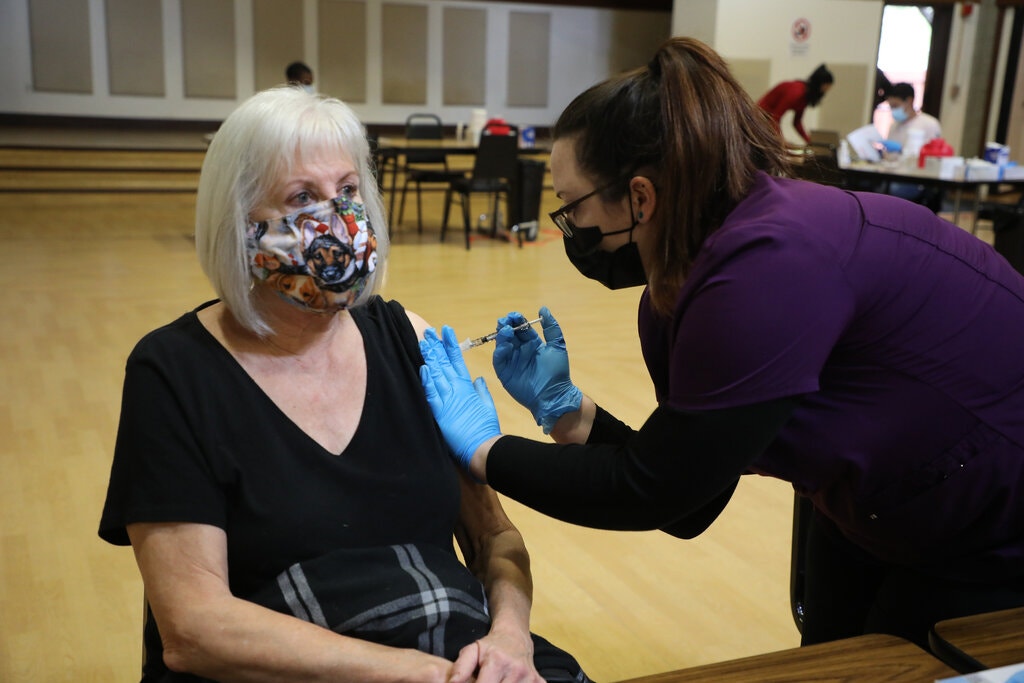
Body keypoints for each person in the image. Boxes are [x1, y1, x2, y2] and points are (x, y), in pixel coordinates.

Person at [418, 37, 1024, 653]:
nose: (570, 231)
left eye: (572, 209)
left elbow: (652, 491)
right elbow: (691, 499)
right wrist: (567, 410)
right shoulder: (688, 276)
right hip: (880, 496)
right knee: (833, 652)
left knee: (895, 660)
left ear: (640, 196)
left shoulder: (766, 266)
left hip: (990, 508)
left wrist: (485, 450)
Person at [98, 86, 589, 683]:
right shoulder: (172, 373)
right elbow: (194, 630)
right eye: (302, 196)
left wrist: (510, 640)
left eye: (348, 191)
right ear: (237, 221)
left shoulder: (406, 338)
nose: (341, 220)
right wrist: (422, 676)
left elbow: (493, 538)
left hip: (452, 649)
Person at [884, 82, 944, 208]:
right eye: (890, 106)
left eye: (896, 106)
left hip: (916, 179)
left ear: (909, 101)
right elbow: (889, 156)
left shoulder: (929, 124)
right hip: (893, 173)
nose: (893, 110)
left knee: (894, 190)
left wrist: (902, 150)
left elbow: (933, 158)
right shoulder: (894, 126)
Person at [757, 63, 834, 145]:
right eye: (826, 87)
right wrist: (782, 141)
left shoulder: (805, 96)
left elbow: (797, 122)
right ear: (820, 84)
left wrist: (809, 142)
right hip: (760, 116)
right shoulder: (797, 93)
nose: (826, 91)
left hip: (769, 119)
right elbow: (775, 118)